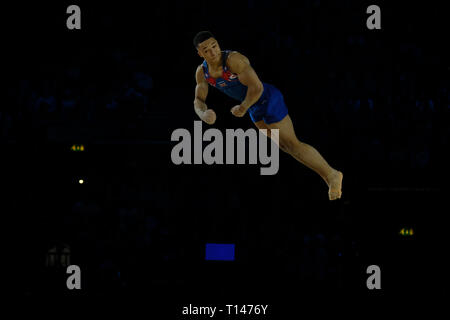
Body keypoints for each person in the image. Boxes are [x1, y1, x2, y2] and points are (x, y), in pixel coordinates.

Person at [193, 31, 343, 200]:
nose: (213, 52)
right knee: (285, 147)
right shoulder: (202, 72)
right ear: (200, 53)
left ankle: (332, 175)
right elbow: (198, 99)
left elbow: (257, 88)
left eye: (215, 46)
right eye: (207, 50)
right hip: (252, 109)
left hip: (267, 98)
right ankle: (328, 177)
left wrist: (242, 107)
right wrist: (203, 114)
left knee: (292, 144)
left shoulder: (234, 60)